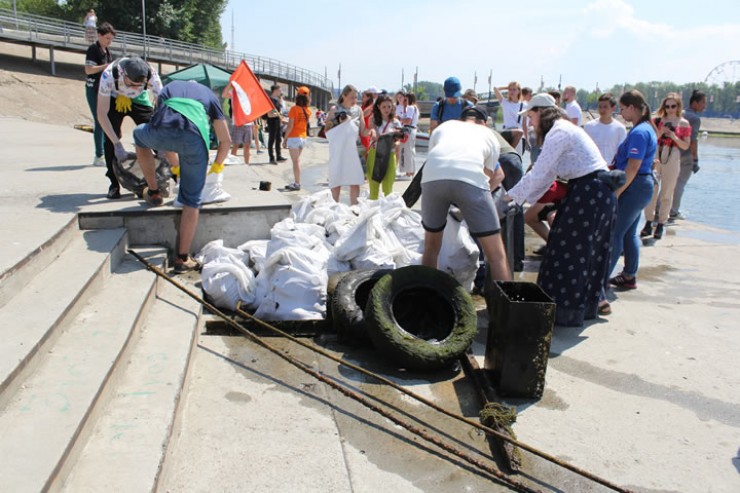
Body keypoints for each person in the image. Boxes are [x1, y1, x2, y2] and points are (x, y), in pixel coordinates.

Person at [506, 93, 618, 327]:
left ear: (541, 112)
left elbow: (538, 173)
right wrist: (519, 200)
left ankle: (565, 310)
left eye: (531, 116)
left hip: (589, 192)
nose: (530, 122)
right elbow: (546, 178)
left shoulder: (559, 132)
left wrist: (507, 199)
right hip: (592, 192)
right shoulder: (563, 130)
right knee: (583, 252)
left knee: (568, 253)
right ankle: (588, 303)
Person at [133, 80, 231, 273]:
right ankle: (182, 259)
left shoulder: (169, 88)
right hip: (194, 140)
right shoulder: (210, 96)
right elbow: (226, 140)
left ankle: (153, 191)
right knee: (192, 200)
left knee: (139, 136)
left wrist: (175, 165)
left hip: (163, 134)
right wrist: (217, 165)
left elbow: (164, 125)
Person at [421, 105, 511, 282]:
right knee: (497, 255)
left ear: (461, 119)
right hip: (470, 179)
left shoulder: (444, 127)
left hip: (432, 178)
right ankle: (506, 309)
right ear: (484, 123)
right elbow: (489, 176)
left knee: (431, 247)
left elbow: (436, 160)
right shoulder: (489, 135)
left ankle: (426, 300)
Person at [607, 90, 658, 293]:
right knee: (629, 233)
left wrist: (618, 192)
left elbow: (633, 166)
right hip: (642, 185)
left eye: (622, 108)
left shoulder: (639, 132)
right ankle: (629, 275)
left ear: (632, 107)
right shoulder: (645, 129)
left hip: (634, 185)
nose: (621, 113)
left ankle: (600, 280)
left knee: (616, 233)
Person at [97, 55, 163, 199]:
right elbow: (102, 114)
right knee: (109, 141)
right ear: (123, 74)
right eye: (132, 84)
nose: (135, 87)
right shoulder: (109, 75)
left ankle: (164, 178)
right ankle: (114, 184)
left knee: (154, 134)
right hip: (115, 99)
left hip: (139, 100)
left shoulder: (152, 74)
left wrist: (162, 144)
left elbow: (163, 106)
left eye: (139, 85)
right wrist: (116, 143)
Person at [639, 92, 690, 240]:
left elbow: (685, 145)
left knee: (667, 191)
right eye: (667, 106)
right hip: (657, 152)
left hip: (673, 153)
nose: (670, 109)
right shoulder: (658, 120)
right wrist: (661, 132)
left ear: (678, 106)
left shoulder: (684, 123)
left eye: (673, 106)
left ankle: (661, 222)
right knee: (652, 189)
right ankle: (648, 221)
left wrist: (674, 136)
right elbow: (652, 139)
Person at [325, 84, 371, 205]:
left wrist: (372, 127)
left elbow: (363, 132)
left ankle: (354, 209)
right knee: (336, 180)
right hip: (339, 149)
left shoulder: (358, 110)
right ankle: (334, 207)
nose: (354, 100)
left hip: (355, 148)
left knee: (355, 180)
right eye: (352, 97)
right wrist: (338, 121)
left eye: (356, 97)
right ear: (344, 96)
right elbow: (326, 130)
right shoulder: (335, 109)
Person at [671, 89, 707, 220]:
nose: (705, 105)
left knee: (669, 183)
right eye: (703, 102)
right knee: (680, 183)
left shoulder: (680, 114)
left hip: (672, 153)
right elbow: (693, 140)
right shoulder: (695, 119)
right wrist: (695, 159)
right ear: (695, 103)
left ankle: (659, 208)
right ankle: (674, 210)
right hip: (685, 155)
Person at [84, 22, 115, 168]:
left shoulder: (107, 52)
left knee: (107, 119)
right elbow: (89, 70)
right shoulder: (93, 49)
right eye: (107, 38)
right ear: (99, 36)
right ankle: (99, 154)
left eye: (111, 39)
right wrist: (107, 66)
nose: (109, 41)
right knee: (99, 120)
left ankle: (107, 151)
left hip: (104, 90)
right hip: (93, 89)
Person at [366, 94, 402, 199]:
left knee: (388, 186)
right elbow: (374, 135)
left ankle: (387, 212)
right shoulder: (373, 119)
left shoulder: (396, 122)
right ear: (378, 107)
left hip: (390, 154)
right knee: (374, 186)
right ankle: (373, 211)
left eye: (389, 107)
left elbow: (399, 141)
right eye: (384, 107)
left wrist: (395, 142)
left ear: (392, 107)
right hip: (375, 153)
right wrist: (375, 133)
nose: (387, 109)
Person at [584, 92, 627, 165]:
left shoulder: (620, 129)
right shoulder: (589, 127)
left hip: (611, 169)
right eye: (600, 107)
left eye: (605, 107)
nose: (602, 110)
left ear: (613, 108)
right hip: (592, 168)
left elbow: (622, 152)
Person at [282, 93, 312, 191]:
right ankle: (297, 182)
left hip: (294, 137)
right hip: (303, 137)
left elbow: (290, 126)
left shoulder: (294, 109)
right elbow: (299, 123)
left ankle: (297, 183)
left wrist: (285, 139)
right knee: (297, 161)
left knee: (296, 162)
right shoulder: (308, 111)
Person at [494, 81, 525, 149]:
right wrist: (506, 87)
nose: (512, 91)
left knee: (517, 156)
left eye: (514, 89)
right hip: (507, 132)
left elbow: (526, 123)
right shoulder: (505, 102)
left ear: (519, 91)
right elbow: (495, 89)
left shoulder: (524, 105)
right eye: (510, 89)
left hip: (519, 135)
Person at [398, 92, 419, 177]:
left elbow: (408, 120)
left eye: (405, 99)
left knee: (407, 151)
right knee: (411, 150)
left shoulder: (410, 108)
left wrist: (399, 118)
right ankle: (412, 170)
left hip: (408, 129)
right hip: (413, 129)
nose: (404, 101)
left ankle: (408, 172)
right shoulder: (415, 108)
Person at [265, 84, 287, 164]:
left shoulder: (277, 100)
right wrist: (278, 114)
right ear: (275, 90)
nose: (281, 92)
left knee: (278, 139)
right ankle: (271, 158)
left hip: (278, 122)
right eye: (280, 90)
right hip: (272, 122)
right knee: (272, 140)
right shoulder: (270, 100)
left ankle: (278, 156)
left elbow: (278, 111)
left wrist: (279, 115)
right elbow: (269, 113)